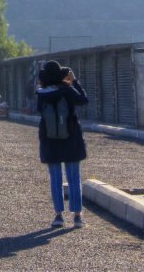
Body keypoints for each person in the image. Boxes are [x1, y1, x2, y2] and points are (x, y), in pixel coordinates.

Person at [36, 60, 89, 228]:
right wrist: (74, 82)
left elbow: (40, 111)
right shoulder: (67, 90)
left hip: (50, 140)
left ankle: (58, 215)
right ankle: (77, 216)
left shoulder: (42, 93)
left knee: (55, 178)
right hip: (71, 138)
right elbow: (83, 100)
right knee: (74, 177)